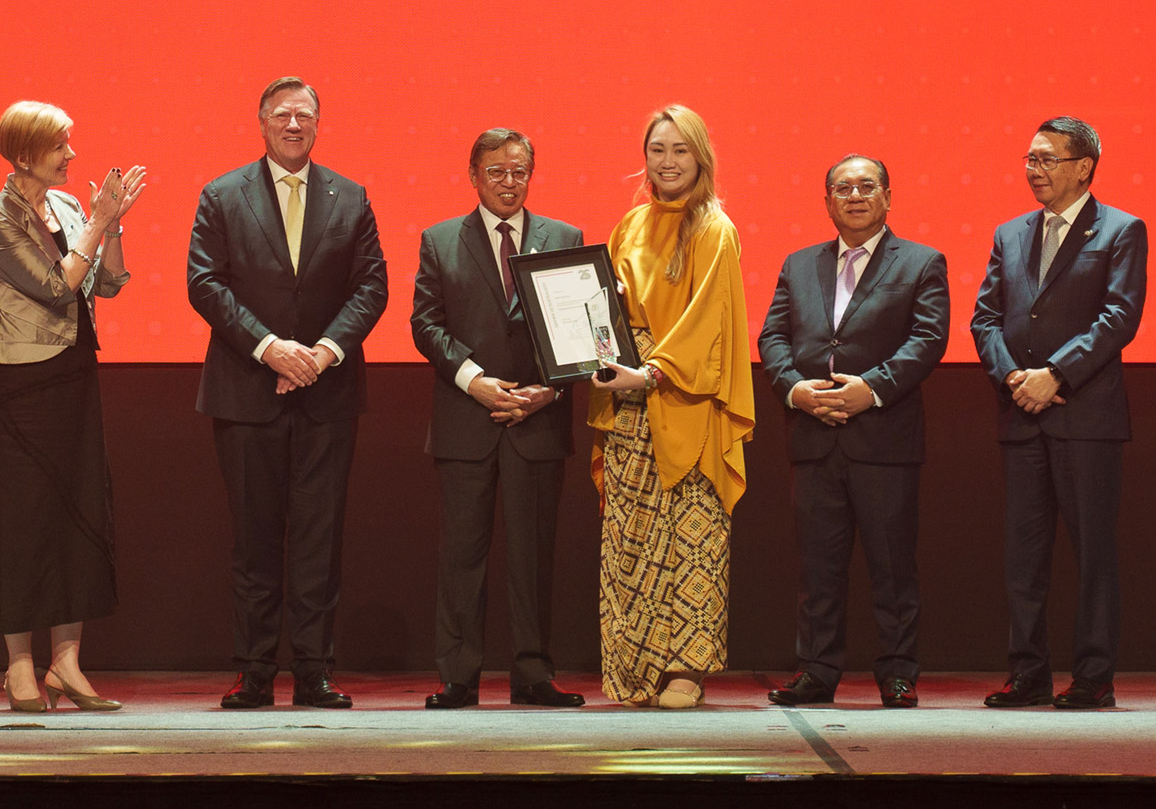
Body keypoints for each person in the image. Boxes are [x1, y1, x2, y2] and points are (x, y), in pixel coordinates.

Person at [187, 76, 388, 710]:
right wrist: (270, 347)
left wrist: (322, 353)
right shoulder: (222, 194)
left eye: (305, 115)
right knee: (254, 537)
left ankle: (313, 671)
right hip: (247, 392)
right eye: (282, 115)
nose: (294, 125)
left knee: (318, 538)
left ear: (319, 124)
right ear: (262, 123)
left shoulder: (350, 197)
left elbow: (372, 287)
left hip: (327, 395)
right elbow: (205, 283)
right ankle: (252, 672)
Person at [758, 154, 949, 708]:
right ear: (827, 202)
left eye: (868, 186)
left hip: (884, 437)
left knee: (892, 566)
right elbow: (773, 336)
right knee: (817, 565)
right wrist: (797, 390)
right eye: (843, 188)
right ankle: (816, 672)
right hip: (814, 436)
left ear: (888, 197)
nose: (856, 196)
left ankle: (896, 672)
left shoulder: (920, 262)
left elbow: (928, 339)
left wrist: (870, 388)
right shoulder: (799, 264)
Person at [0, 100, 145, 713]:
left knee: (79, 512)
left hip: (75, 374)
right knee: (20, 522)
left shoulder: (72, 208)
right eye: (59, 147)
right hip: (21, 385)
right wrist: (98, 225)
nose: (72, 156)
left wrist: (113, 223)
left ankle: (66, 664)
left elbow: (109, 283)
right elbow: (52, 288)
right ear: (24, 156)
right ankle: (20, 666)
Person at [971, 116, 1147, 710]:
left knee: (1093, 552)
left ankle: (1094, 677)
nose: (1033, 169)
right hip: (1021, 413)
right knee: (1024, 557)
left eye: (1046, 159)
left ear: (1084, 167)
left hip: (1086, 417)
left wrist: (1057, 374)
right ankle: (1029, 673)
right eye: (1029, 158)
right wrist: (1013, 376)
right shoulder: (1010, 232)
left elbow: (1119, 317)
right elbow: (985, 319)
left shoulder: (1120, 229)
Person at [409, 128, 586, 710]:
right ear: (474, 176)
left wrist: (549, 392)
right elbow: (426, 326)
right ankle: (458, 676)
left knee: (533, 554)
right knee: (462, 553)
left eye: (519, 172)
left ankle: (534, 674)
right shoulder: (440, 240)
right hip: (467, 418)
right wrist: (476, 382)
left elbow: (580, 332)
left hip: (539, 418)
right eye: (497, 173)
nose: (509, 183)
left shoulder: (565, 238)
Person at [589, 105, 754, 709]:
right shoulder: (629, 224)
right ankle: (634, 668)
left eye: (680, 150)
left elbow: (707, 322)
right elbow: (601, 307)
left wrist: (650, 371)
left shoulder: (715, 228)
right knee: (631, 539)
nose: (668, 162)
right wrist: (594, 354)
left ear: (701, 156)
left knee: (691, 542)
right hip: (627, 407)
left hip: (685, 400)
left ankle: (686, 668)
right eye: (658, 150)